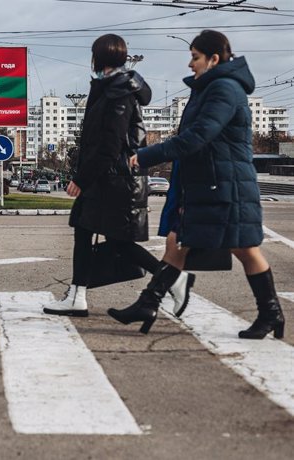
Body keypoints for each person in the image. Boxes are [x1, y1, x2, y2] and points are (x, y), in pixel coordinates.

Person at [108, 30, 285, 340]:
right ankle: (148, 303)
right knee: (177, 241)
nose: (190, 64)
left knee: (245, 248)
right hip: (211, 184)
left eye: (195, 57)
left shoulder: (225, 89)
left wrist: (145, 155)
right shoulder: (210, 89)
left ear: (213, 59)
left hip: (226, 185)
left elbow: (196, 137)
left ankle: (271, 313)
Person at [44, 34, 194, 317]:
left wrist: (82, 179)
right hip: (109, 178)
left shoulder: (119, 91)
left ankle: (172, 279)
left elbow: (110, 145)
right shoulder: (109, 87)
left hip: (115, 180)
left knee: (116, 242)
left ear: (98, 58)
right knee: (87, 233)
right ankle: (77, 296)